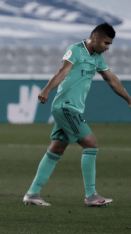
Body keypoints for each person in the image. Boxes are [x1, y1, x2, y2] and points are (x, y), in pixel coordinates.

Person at [23, 22, 131, 207]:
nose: (107, 48)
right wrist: (46, 90)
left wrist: (129, 99)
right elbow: (62, 71)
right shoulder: (75, 50)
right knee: (91, 144)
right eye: (106, 43)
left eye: (110, 44)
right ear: (95, 37)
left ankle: (32, 194)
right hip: (66, 107)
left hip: (73, 108)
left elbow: (112, 80)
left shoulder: (97, 58)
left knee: (56, 150)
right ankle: (91, 195)